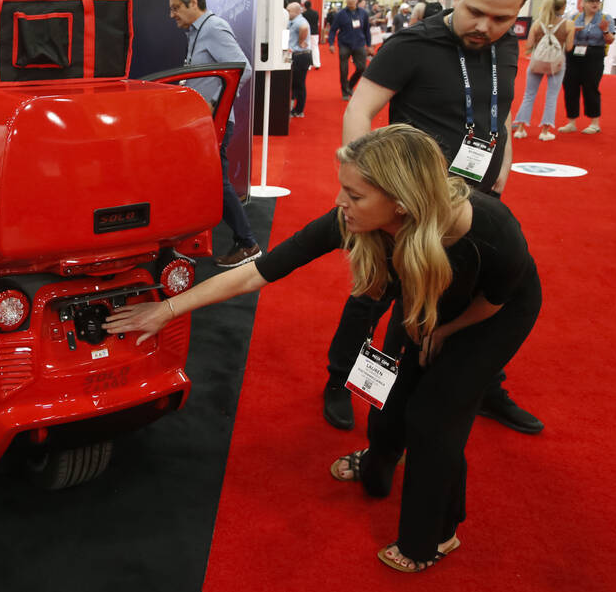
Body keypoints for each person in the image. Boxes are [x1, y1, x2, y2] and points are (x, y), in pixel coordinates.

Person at [105, 124, 541, 573]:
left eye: (354, 195)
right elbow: (259, 272)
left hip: (488, 316)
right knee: (389, 394)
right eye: (343, 190)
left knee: (434, 419)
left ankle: (434, 535)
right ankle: (379, 462)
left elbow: (497, 300)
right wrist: (167, 309)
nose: (340, 203)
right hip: (425, 304)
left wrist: (445, 332)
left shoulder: (490, 228)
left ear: (400, 200)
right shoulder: (360, 221)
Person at [321, 0, 542, 436]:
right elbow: (359, 111)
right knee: (375, 293)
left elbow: (498, 113)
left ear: (519, 13)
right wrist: (363, 185)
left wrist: (502, 171)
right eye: (475, 10)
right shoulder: (412, 44)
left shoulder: (504, 47)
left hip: (473, 207)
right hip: (405, 206)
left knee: (466, 297)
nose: (484, 25)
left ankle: (485, 387)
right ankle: (339, 380)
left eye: (501, 18)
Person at [168, 0, 262, 268]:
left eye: (176, 8)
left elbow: (242, 68)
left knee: (217, 183)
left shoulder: (213, 28)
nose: (172, 15)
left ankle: (247, 243)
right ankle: (194, 239)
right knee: (204, 182)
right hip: (201, 123)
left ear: (193, 2)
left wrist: (218, 104)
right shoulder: (197, 33)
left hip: (215, 124)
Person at [513, 0, 572, 141]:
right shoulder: (568, 25)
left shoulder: (537, 24)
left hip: (537, 62)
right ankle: (545, 131)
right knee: (552, 96)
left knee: (529, 95)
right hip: (556, 64)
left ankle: (520, 128)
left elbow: (528, 45)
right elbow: (569, 47)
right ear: (562, 7)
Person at [559, 0, 613, 135]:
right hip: (573, 53)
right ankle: (571, 122)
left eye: (598, 1)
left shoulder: (605, 18)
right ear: (584, 3)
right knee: (570, 87)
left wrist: (606, 31)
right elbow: (563, 34)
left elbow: (611, 40)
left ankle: (594, 123)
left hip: (594, 54)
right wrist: (572, 31)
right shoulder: (574, 17)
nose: (595, 4)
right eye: (592, 1)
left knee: (591, 87)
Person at [329, 0, 371, 100]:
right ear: (346, 0)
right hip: (344, 45)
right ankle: (345, 92)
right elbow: (333, 29)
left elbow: (367, 30)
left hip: (359, 44)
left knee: (362, 68)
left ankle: (350, 86)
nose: (350, 0)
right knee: (344, 70)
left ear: (356, 0)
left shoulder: (363, 13)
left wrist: (369, 44)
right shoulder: (340, 14)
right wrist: (331, 44)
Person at [286, 2, 312, 118]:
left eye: (289, 11)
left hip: (301, 55)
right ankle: (294, 108)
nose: (287, 13)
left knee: (299, 84)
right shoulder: (293, 21)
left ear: (296, 11)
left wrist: (301, 41)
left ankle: (299, 110)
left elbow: (304, 28)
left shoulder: (300, 21)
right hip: (297, 55)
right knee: (295, 83)